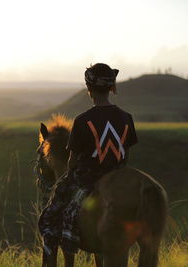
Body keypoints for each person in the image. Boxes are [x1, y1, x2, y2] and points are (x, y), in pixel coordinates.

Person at [38, 63, 138, 256]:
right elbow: (126, 152)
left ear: (89, 89)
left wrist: (70, 175)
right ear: (111, 88)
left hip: (89, 180)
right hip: (119, 177)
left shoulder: (83, 121)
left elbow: (73, 159)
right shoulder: (127, 118)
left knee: (49, 217)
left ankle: (59, 243)